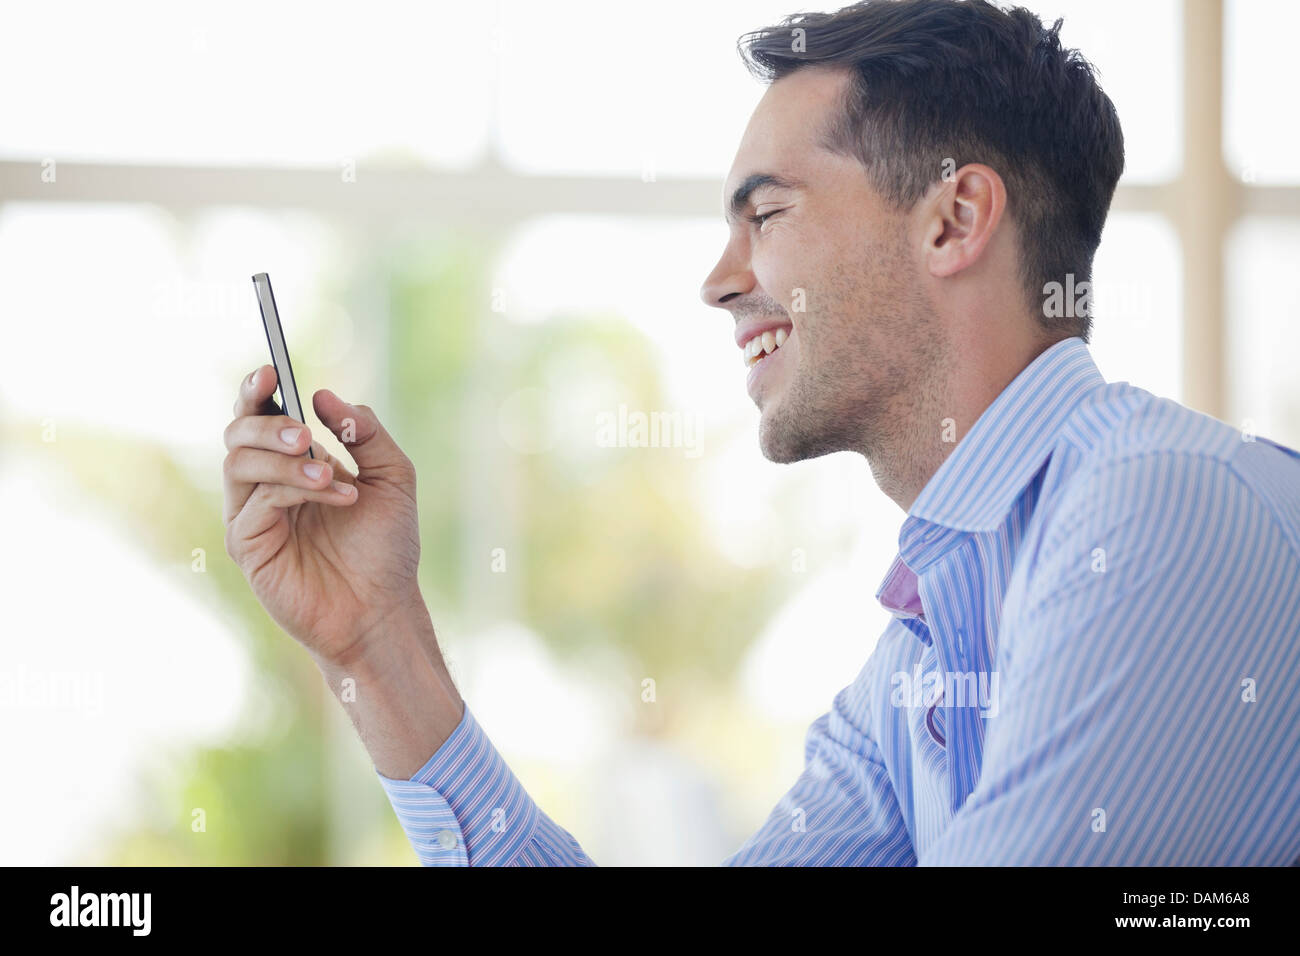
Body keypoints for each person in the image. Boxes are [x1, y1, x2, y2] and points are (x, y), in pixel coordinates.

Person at [221, 0, 1300, 865]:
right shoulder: (923, 654)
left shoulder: (1159, 506)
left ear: (953, 220)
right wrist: (378, 639)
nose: (720, 279)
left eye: (765, 213)